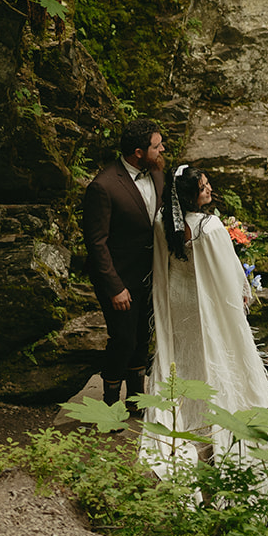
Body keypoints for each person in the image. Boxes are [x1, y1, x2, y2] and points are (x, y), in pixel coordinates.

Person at [139, 165, 268, 485]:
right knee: (218, 351)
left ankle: (189, 419)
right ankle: (221, 419)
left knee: (186, 356)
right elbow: (228, 271)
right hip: (206, 303)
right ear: (191, 196)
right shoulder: (211, 225)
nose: (209, 189)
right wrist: (243, 294)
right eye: (203, 187)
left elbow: (161, 266)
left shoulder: (163, 222)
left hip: (178, 299)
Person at [81, 118, 166, 408]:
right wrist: (115, 287)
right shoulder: (103, 186)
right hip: (118, 278)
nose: (162, 149)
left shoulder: (156, 175)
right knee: (124, 340)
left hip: (151, 275)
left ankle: (135, 401)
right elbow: (96, 244)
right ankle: (109, 405)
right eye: (157, 146)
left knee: (143, 340)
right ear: (138, 152)